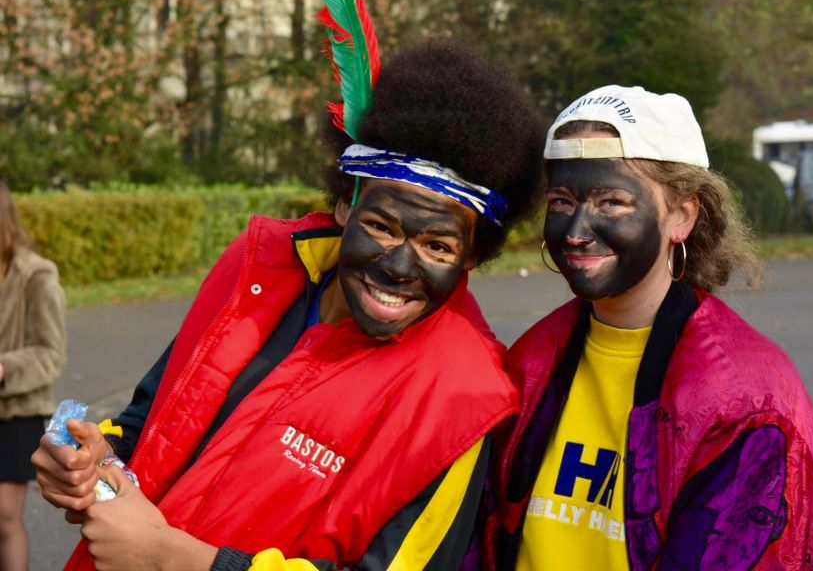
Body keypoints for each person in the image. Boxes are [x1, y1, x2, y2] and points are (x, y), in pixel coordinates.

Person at [32, 39, 545, 571]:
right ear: (345, 206)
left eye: (437, 246)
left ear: (471, 256)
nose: (398, 266)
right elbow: (151, 420)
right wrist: (95, 462)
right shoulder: (258, 268)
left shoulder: (464, 398)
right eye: (381, 226)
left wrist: (171, 557)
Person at [482, 86, 813, 570]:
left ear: (682, 215)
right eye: (561, 202)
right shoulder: (530, 361)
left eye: (611, 202)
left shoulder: (745, 398)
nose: (575, 231)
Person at [0, 182, 67, 571]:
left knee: (4, 520)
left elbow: (50, 354)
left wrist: (5, 367)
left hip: (14, 414)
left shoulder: (36, 275)